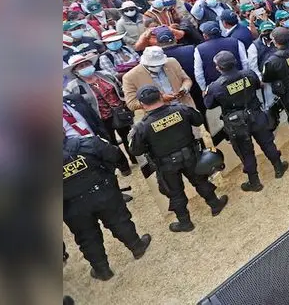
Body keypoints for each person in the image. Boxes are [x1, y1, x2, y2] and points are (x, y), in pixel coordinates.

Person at [129, 86, 229, 232]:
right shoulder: (181, 109)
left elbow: (136, 150)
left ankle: (185, 223)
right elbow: (198, 119)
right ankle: (215, 204)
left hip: (166, 165)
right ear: (161, 96)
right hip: (190, 156)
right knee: (200, 181)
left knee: (175, 193)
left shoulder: (141, 127)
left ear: (142, 104)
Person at [63, 134, 151, 281]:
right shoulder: (89, 142)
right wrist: (108, 176)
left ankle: (102, 270)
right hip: (102, 191)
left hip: (71, 206)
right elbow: (115, 155)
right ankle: (137, 247)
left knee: (87, 237)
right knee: (119, 221)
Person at [203, 50, 289, 191]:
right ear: (234, 62)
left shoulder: (215, 86)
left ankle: (254, 182)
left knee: (246, 153)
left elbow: (209, 104)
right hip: (256, 115)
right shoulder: (249, 74)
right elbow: (257, 86)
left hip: (236, 123)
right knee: (267, 143)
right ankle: (279, 167)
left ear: (218, 68)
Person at [64, 54, 137, 174]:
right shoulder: (73, 87)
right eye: (81, 66)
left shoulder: (106, 75)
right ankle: (123, 166)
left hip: (119, 113)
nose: (85, 67)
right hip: (100, 119)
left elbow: (119, 88)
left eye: (87, 64)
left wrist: (125, 103)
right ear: (75, 71)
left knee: (128, 137)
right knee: (110, 143)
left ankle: (135, 159)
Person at [121, 45, 195, 114]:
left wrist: (184, 89)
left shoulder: (172, 62)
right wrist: (159, 99)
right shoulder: (130, 77)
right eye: (153, 66)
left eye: (160, 64)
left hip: (185, 108)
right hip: (160, 115)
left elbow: (186, 79)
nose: (157, 67)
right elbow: (131, 104)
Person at [193, 21, 249, 93]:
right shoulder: (236, 42)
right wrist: (245, 78)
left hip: (218, 89)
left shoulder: (199, 49)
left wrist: (204, 89)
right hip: (239, 83)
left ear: (205, 35)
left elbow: (198, 73)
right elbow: (245, 62)